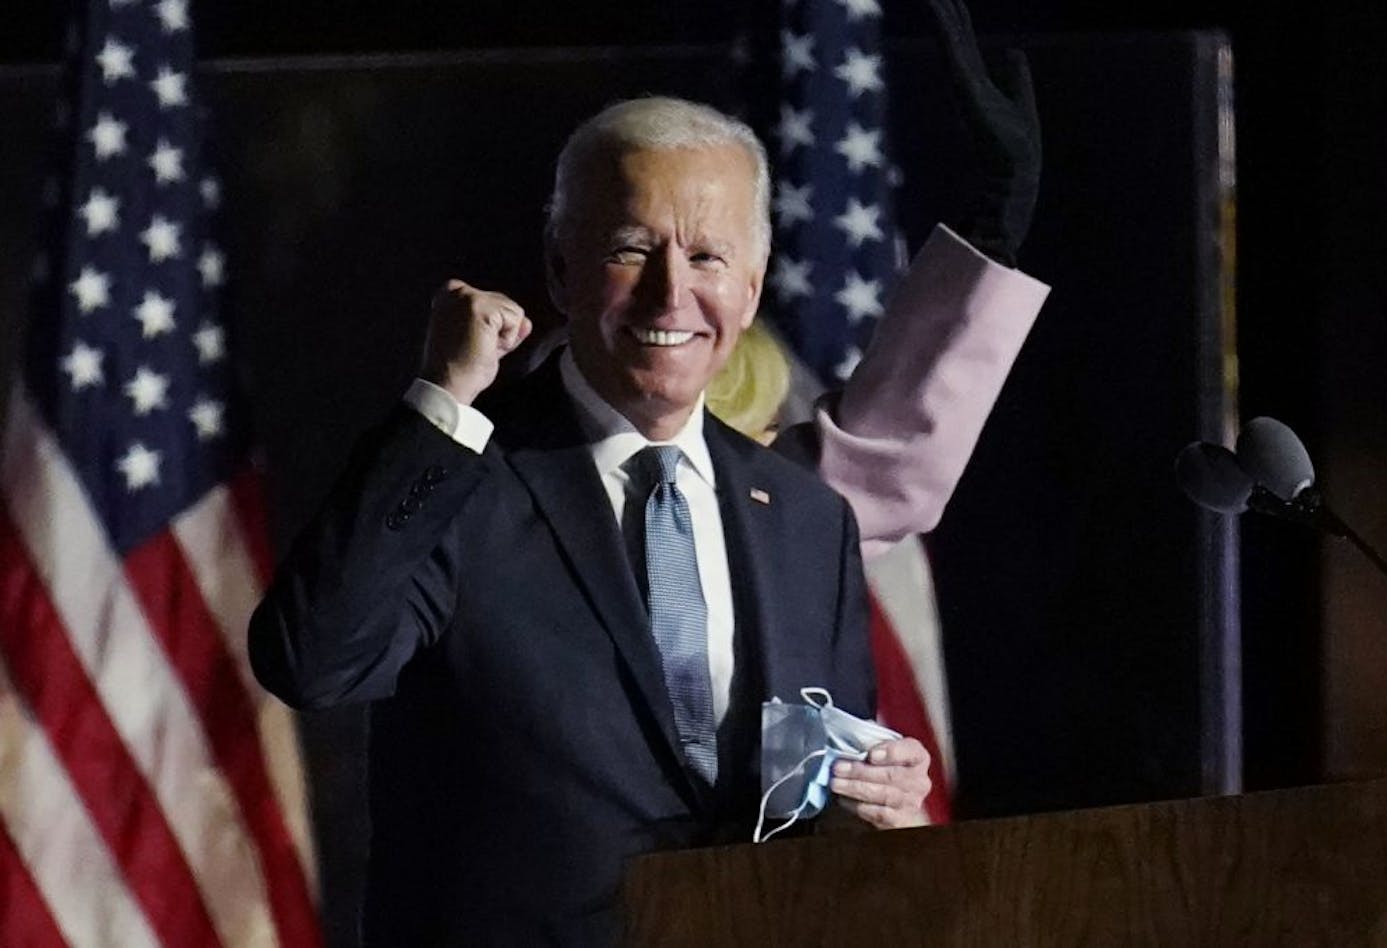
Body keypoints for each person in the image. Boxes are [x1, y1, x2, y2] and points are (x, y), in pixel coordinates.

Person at [251, 98, 933, 945]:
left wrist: (868, 800)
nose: (670, 292)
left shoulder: (804, 519)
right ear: (560, 269)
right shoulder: (462, 479)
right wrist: (443, 403)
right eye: (631, 249)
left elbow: (807, 793)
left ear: (751, 290)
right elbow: (312, 662)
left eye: (708, 256)